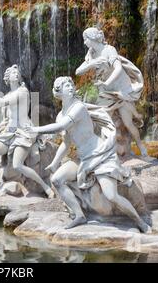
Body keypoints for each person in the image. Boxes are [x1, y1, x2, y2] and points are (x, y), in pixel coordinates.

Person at [24, 77, 151, 233]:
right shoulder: (60, 115)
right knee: (57, 179)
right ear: (58, 91)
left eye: (71, 84)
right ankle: (79, 215)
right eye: (65, 85)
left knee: (111, 195)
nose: (70, 87)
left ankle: (139, 221)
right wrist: (55, 162)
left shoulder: (78, 107)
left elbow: (62, 126)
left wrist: (36, 130)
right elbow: (66, 142)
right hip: (83, 158)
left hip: (100, 155)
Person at [0, 64, 55, 202]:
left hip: (23, 131)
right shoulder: (9, 94)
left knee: (17, 164)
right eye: (13, 72)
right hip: (10, 131)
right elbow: (7, 115)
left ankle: (45, 187)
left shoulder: (22, 91)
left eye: (17, 72)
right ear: (7, 77)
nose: (16, 74)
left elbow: (2, 103)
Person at [75, 27, 148, 157]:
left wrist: (107, 83)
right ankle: (105, 151)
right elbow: (78, 71)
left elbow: (118, 68)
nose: (84, 42)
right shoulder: (91, 54)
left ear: (93, 38)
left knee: (128, 123)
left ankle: (141, 146)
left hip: (120, 89)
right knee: (103, 122)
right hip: (106, 92)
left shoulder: (109, 50)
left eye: (86, 39)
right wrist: (92, 64)